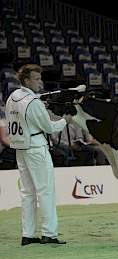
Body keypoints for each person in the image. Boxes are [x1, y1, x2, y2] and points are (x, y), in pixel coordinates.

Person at [5, 64, 71, 245]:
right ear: (27, 80)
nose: (40, 82)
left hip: (20, 147)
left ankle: (28, 234)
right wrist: (66, 120)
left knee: (28, 193)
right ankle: (49, 233)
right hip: (36, 147)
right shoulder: (32, 102)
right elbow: (49, 127)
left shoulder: (13, 97)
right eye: (36, 78)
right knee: (45, 191)